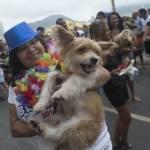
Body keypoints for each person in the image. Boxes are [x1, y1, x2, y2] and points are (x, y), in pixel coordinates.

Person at [4, 22, 112, 150]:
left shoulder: (64, 61)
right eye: (22, 48)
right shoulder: (15, 87)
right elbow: (15, 128)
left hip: (95, 144)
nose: (30, 49)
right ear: (15, 56)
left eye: (33, 42)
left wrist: (69, 86)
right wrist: (47, 127)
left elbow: (104, 74)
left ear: (41, 42)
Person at [90, 15, 132, 149]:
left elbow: (122, 52)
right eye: (105, 31)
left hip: (121, 82)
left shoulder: (110, 43)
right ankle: (123, 143)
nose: (109, 32)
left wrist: (124, 62)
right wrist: (113, 72)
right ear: (98, 34)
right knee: (127, 117)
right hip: (113, 88)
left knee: (122, 116)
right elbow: (97, 76)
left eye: (108, 29)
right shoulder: (100, 52)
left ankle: (115, 140)